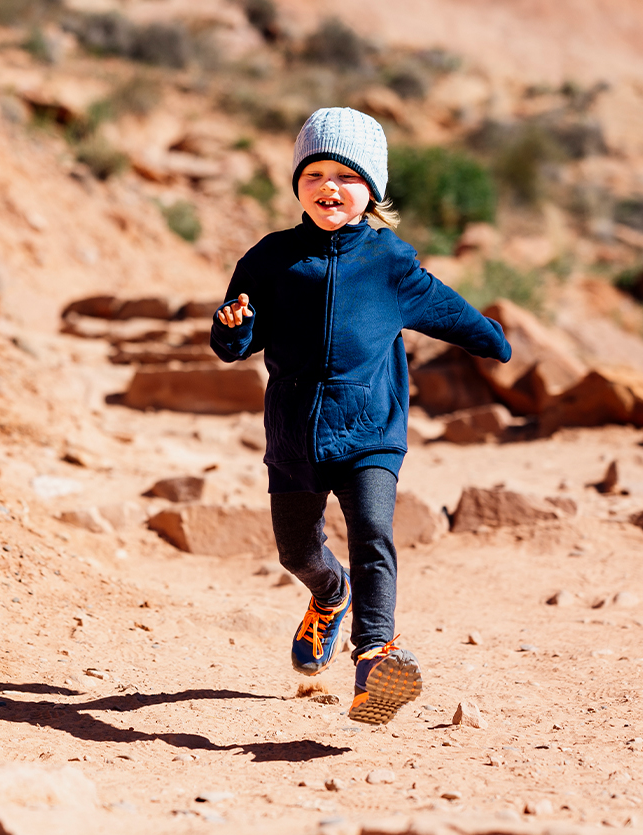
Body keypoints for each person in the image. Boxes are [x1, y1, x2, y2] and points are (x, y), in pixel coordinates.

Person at [211, 107, 512, 725]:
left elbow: (444, 307)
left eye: (346, 177)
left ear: (371, 189)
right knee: (297, 552)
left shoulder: (390, 262)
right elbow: (237, 340)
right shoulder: (270, 259)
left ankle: (376, 653)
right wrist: (231, 328)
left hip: (372, 428)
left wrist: (493, 338)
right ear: (297, 183)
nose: (329, 187)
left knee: (374, 533)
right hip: (295, 430)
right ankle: (329, 592)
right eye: (315, 172)